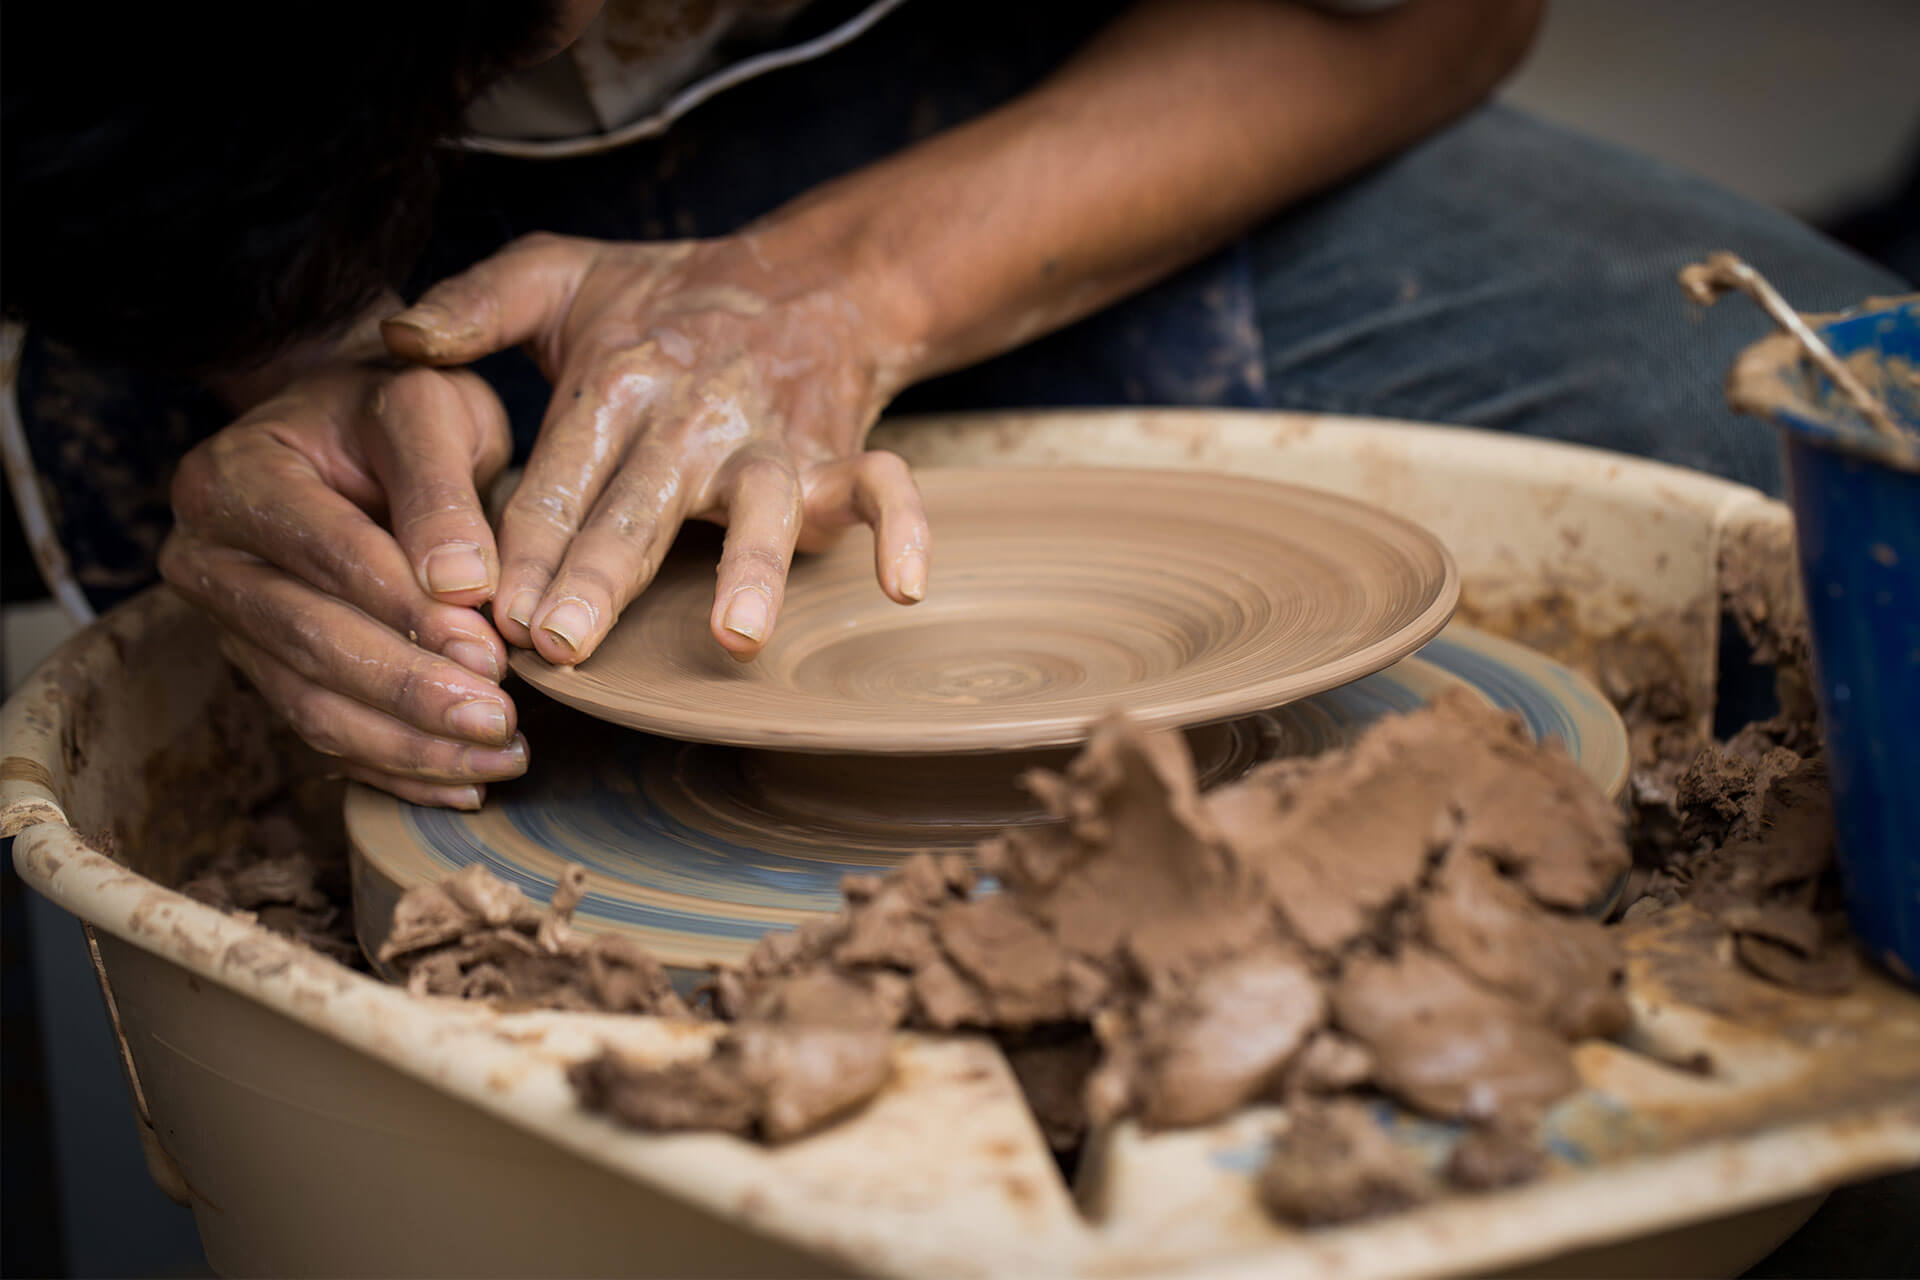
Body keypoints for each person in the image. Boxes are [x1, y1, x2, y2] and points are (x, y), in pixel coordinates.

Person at [3, 0, 1904, 809]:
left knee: (1830, 435)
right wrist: (307, 365)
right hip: (298, 176)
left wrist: (842, 285)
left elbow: (1417, 10)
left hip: (1060, 88)